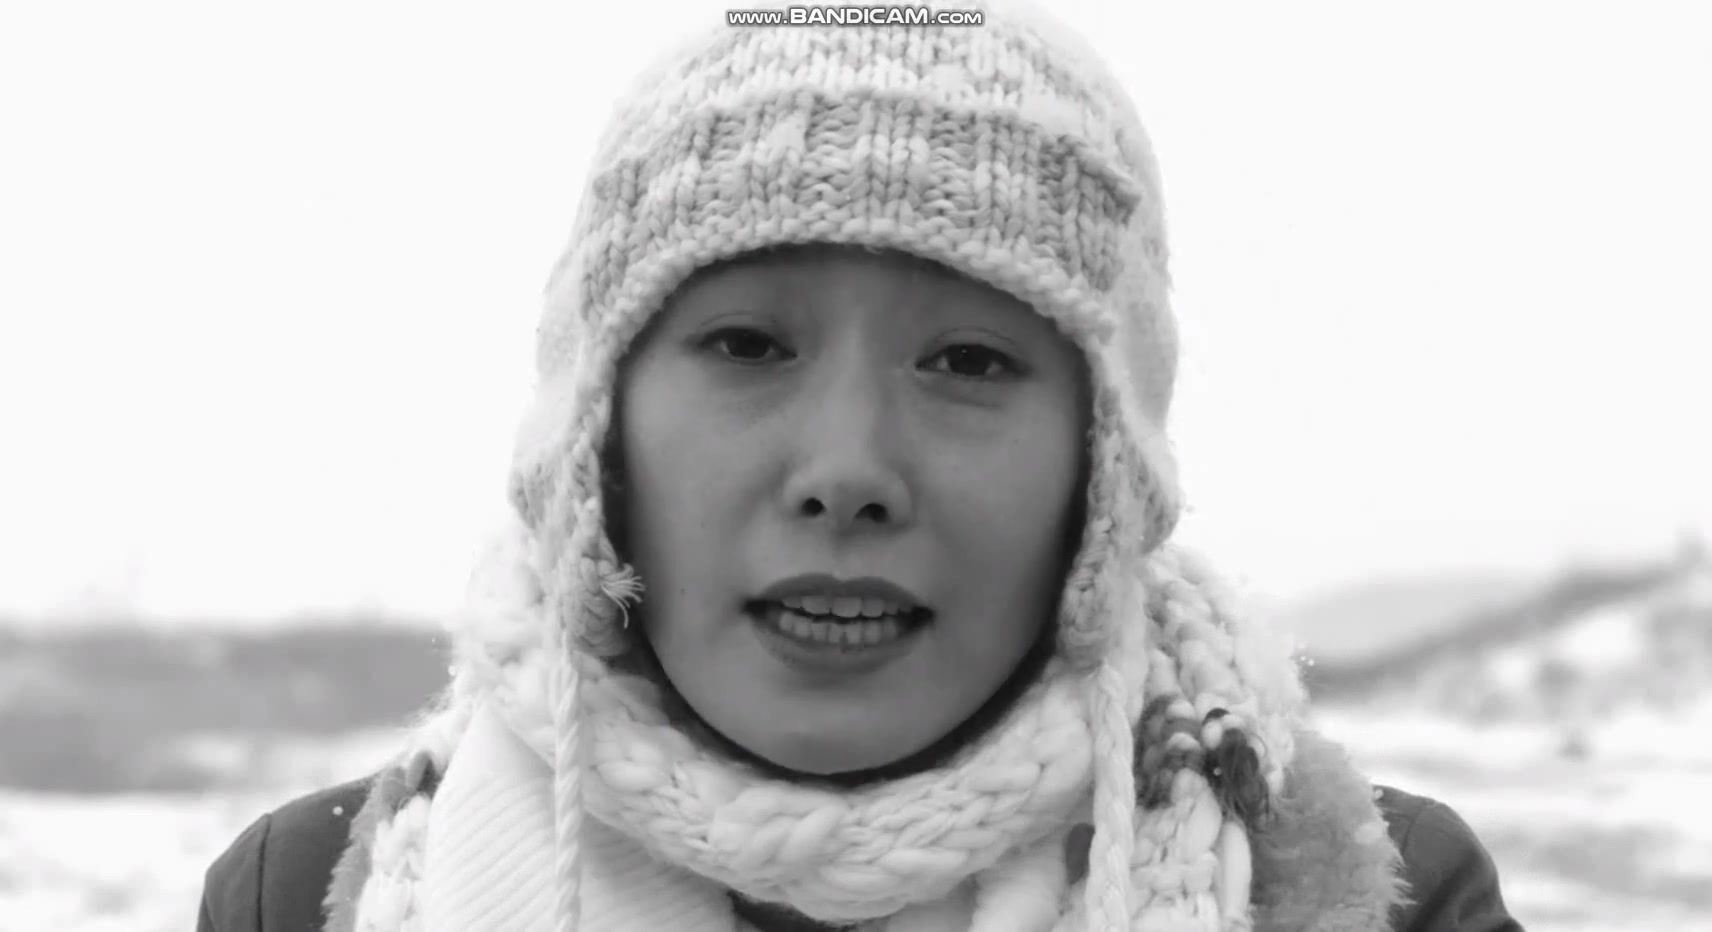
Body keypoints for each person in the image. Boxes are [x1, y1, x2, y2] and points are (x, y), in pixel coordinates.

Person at [198, 2, 1522, 929]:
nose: (847, 472)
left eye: (970, 361)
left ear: (1104, 480)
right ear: (592, 444)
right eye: (746, 343)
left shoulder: (1376, 898)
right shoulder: (304, 898)